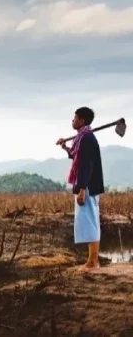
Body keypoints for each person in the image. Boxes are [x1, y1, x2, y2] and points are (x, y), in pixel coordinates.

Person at [56, 107, 104, 272]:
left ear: (82, 121)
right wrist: (65, 147)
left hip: (88, 185)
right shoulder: (82, 138)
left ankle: (93, 262)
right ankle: (92, 260)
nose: (72, 121)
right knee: (89, 220)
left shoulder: (87, 139)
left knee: (90, 221)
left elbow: (86, 165)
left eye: (75, 118)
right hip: (86, 184)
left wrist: (82, 189)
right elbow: (77, 157)